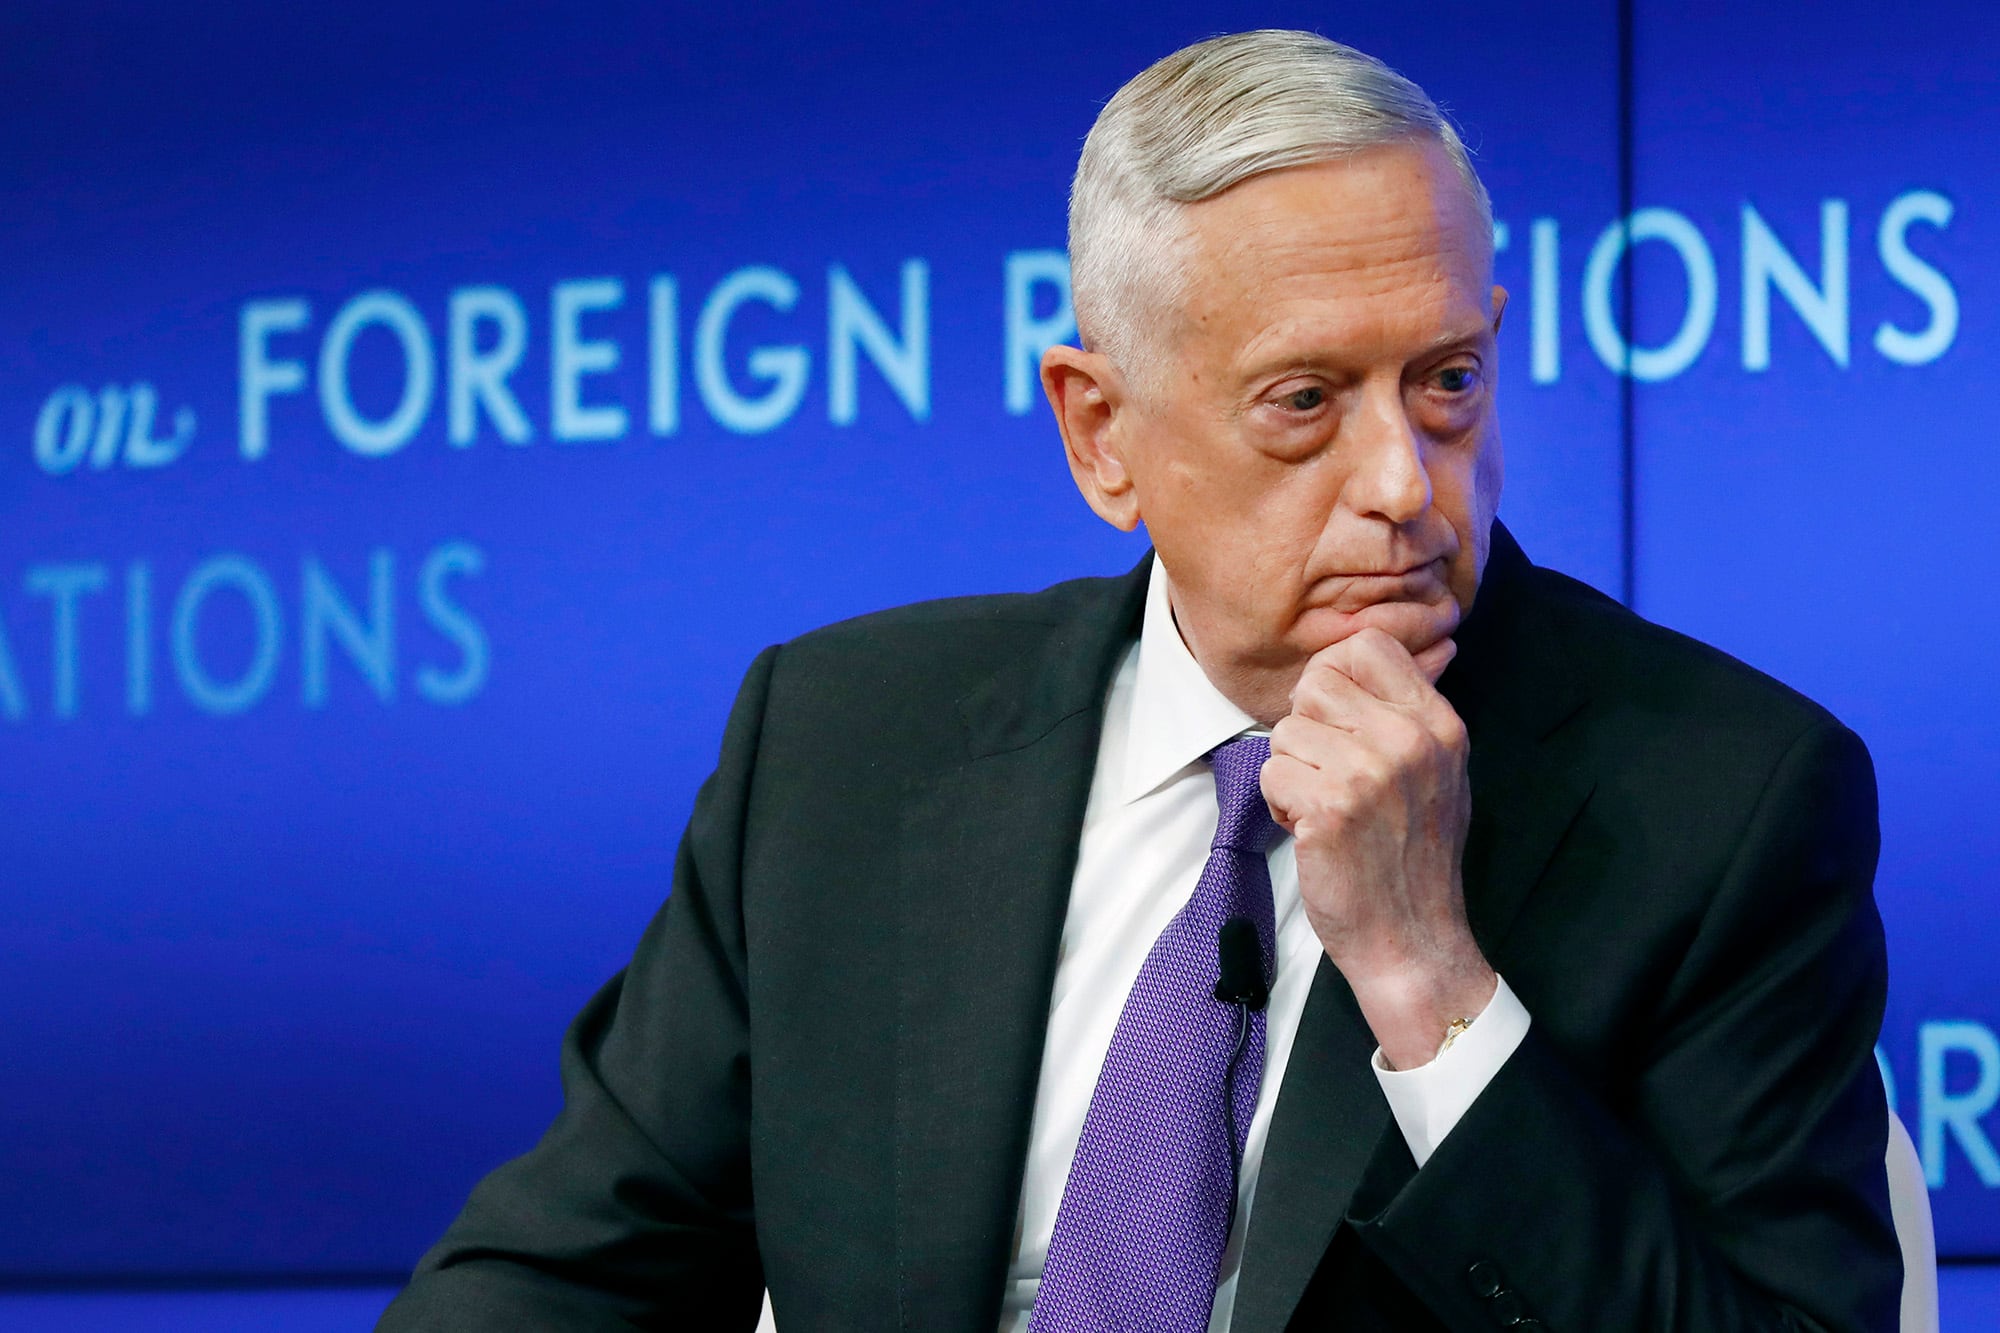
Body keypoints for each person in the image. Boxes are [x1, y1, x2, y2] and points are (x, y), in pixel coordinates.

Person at [380, 30, 1900, 1332]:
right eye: (1305, 402)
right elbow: (555, 1277)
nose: (1405, 483)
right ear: (1101, 431)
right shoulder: (846, 746)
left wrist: (1437, 987)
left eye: (1446, 382)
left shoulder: (1723, 801)